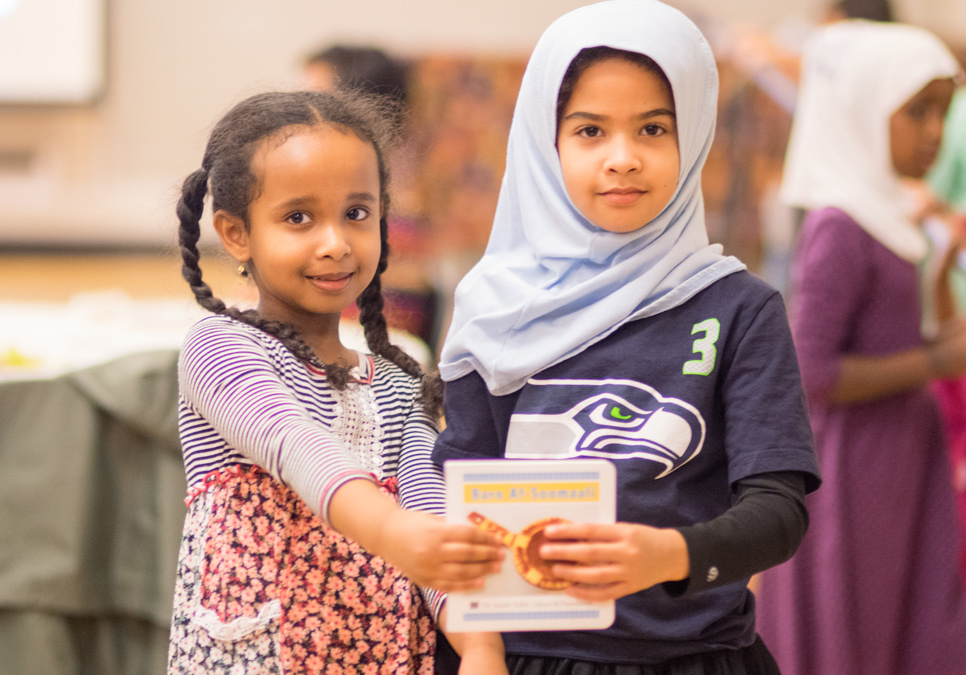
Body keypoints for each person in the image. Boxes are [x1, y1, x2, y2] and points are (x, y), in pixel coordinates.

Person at [432, 1, 821, 672]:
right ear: (545, 141)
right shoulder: (494, 307)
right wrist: (480, 648)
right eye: (589, 131)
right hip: (521, 656)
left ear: (692, 135)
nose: (622, 159)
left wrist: (669, 555)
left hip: (694, 654)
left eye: (652, 129)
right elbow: (450, 498)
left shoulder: (739, 308)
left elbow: (778, 511)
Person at [166, 89, 505, 673]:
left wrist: (480, 644)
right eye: (299, 218)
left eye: (356, 213)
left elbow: (430, 515)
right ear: (236, 233)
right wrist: (394, 532)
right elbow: (297, 447)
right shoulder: (219, 347)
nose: (335, 243)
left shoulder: (399, 381)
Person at [754, 21, 966, 675]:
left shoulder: (891, 218)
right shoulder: (838, 226)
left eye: (944, 110)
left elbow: (906, 333)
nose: (935, 131)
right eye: (917, 111)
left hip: (902, 451)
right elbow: (813, 369)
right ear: (865, 111)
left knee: (911, 619)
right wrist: (934, 363)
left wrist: (939, 275)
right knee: (861, 625)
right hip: (854, 466)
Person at [302, 44, 443, 353]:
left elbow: (381, 337)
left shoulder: (395, 208)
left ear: (360, 110)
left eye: (313, 99)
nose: (294, 115)